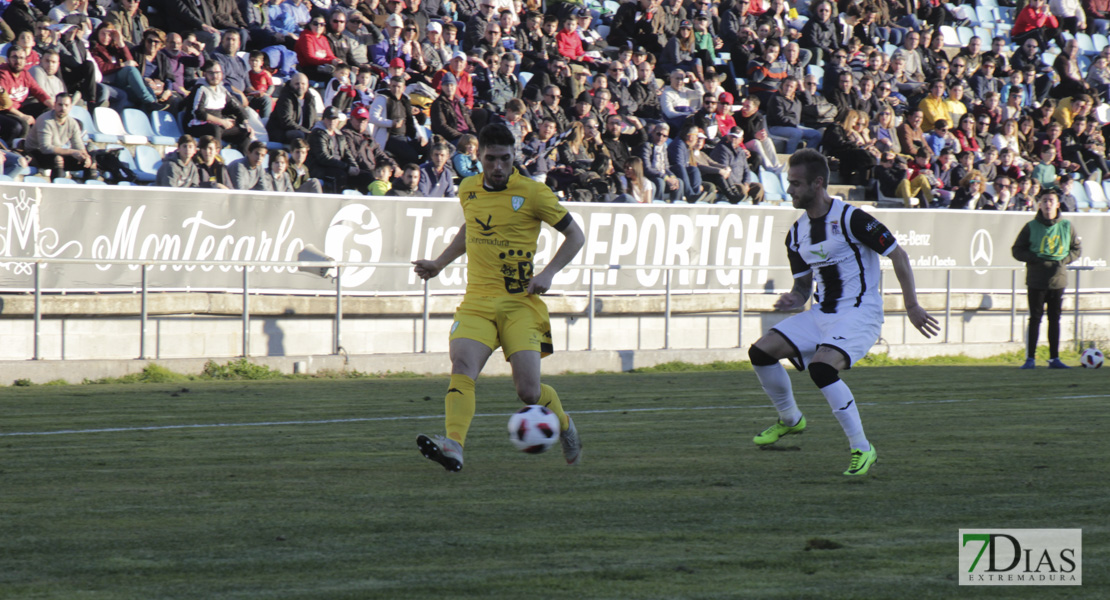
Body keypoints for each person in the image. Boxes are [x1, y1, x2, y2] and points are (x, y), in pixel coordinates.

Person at [747, 149, 940, 476]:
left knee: (822, 369)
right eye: (789, 183)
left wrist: (911, 305)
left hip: (860, 314)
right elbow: (802, 288)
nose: (790, 190)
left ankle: (863, 448)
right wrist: (793, 299)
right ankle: (791, 419)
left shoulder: (853, 219)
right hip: (822, 314)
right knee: (761, 352)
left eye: (796, 184)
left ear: (818, 183)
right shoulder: (796, 234)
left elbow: (899, 256)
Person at [411, 122, 586, 473]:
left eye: (505, 159)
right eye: (491, 159)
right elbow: (472, 228)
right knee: (462, 367)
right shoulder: (468, 188)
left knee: (529, 393)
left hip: (520, 303)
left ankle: (564, 423)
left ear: (514, 157)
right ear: (478, 156)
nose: (498, 167)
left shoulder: (533, 193)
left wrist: (548, 273)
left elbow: (576, 236)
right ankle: (454, 445)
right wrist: (440, 263)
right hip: (477, 301)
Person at [1012, 192, 1082, 369]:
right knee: (1035, 318)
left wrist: (1064, 260)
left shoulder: (1067, 226)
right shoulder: (1031, 226)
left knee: (1054, 319)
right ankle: (1030, 358)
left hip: (1058, 279)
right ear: (1039, 205)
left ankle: (1054, 358)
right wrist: (1035, 259)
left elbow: (1076, 249)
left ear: (1058, 204)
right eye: (1044, 201)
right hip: (1036, 279)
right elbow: (1017, 250)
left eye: (1051, 201)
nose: (1048, 204)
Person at [25, 92, 93, 181]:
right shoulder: (45, 120)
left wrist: (86, 156)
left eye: (66, 105)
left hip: (56, 151)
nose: (63, 108)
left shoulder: (72, 123)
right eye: (60, 105)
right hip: (35, 153)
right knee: (58, 159)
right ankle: (57, 190)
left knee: (91, 162)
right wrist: (72, 152)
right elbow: (45, 148)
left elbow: (78, 145)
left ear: (70, 107)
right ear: (55, 105)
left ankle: (88, 192)